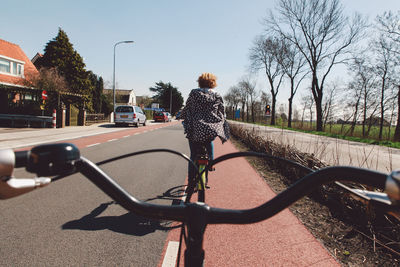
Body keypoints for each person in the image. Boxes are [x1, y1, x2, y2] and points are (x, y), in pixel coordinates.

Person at [181, 72, 230, 183]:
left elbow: (187, 107)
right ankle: (211, 162)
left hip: (195, 128)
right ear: (213, 83)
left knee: (193, 155)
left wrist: (183, 116)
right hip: (210, 129)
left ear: (200, 82)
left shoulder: (194, 93)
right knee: (209, 141)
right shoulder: (217, 95)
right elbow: (222, 111)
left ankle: (191, 181)